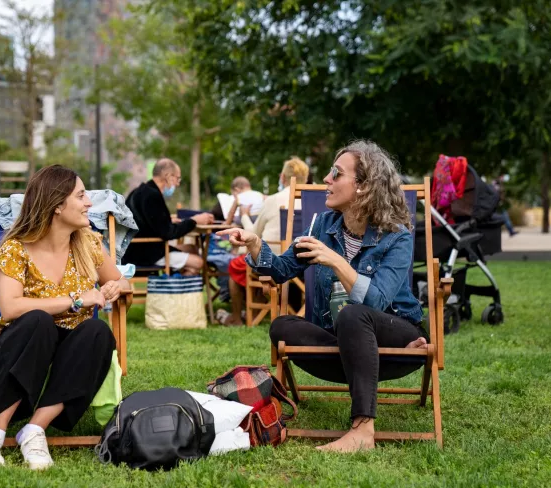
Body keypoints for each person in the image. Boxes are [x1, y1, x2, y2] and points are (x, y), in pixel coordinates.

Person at [217, 140, 428, 452]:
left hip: (395, 340)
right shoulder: (321, 227)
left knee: (354, 314)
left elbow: (378, 301)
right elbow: (281, 270)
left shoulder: (396, 236)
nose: (326, 180)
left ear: (364, 186)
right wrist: (254, 244)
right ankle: (357, 357)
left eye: (336, 173)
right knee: (282, 326)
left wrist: (334, 259)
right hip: (342, 345)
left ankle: (362, 431)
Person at [0, 165, 130, 469]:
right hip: (22, 341)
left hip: (70, 345)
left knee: (97, 331)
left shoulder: (88, 244)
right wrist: (76, 299)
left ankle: (34, 430)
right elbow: (11, 309)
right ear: (57, 205)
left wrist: (115, 286)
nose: (89, 203)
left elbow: (122, 281)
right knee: (38, 321)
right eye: (81, 196)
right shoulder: (15, 249)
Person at [217, 157, 310, 326]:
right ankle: (263, 311)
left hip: (274, 261)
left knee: (236, 266)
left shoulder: (273, 200)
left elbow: (253, 234)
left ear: (282, 177)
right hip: (305, 263)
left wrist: (244, 214)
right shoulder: (313, 201)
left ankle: (238, 318)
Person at [123, 158, 213, 275]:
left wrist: (168, 220)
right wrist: (194, 220)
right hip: (145, 254)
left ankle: (177, 281)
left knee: (192, 248)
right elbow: (169, 233)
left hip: (138, 248)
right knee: (198, 262)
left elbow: (147, 221)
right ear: (169, 176)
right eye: (177, 178)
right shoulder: (152, 196)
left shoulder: (140, 191)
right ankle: (177, 291)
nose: (178, 183)